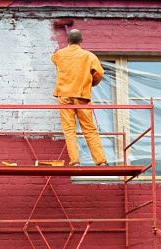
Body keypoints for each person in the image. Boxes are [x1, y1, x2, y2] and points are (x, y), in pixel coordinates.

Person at [51, 29, 108, 166]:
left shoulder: (59, 54)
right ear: (81, 40)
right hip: (82, 95)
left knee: (69, 129)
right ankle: (100, 161)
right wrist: (91, 83)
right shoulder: (89, 56)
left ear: (67, 41)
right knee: (89, 128)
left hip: (64, 96)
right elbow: (99, 73)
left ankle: (75, 161)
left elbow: (54, 59)